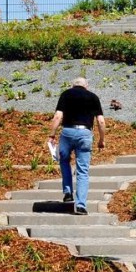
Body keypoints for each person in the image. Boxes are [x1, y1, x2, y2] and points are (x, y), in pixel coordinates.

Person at [48, 78, 106, 216]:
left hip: (67, 132)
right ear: (86, 86)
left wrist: (52, 135)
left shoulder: (66, 94)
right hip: (85, 134)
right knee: (83, 170)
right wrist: (101, 139)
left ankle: (68, 192)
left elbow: (57, 116)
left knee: (64, 160)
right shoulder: (93, 97)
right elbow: (101, 121)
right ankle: (80, 206)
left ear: (72, 85)